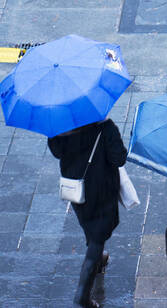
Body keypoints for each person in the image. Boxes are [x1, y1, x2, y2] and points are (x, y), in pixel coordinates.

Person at [48, 119, 128, 308]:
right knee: (97, 239)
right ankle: (82, 296)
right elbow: (119, 158)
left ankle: (98, 258)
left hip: (77, 188)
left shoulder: (59, 125)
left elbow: (57, 152)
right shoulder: (105, 127)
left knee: (90, 225)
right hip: (102, 191)